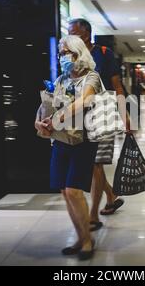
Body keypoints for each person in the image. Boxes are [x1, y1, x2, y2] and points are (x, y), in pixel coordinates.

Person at [35, 35, 102, 260]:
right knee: (65, 192)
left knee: (74, 190)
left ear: (77, 53)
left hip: (84, 140)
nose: (62, 57)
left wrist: (57, 118)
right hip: (61, 140)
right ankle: (82, 237)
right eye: (60, 53)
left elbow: (84, 102)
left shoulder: (92, 77)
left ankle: (87, 241)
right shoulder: (62, 79)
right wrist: (41, 120)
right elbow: (50, 103)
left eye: (65, 52)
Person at [68, 18, 129, 232]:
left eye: (73, 32)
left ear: (86, 33)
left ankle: (93, 215)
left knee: (95, 164)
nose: (70, 35)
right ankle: (111, 196)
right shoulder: (71, 56)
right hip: (80, 116)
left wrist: (125, 113)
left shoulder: (103, 53)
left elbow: (116, 84)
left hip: (103, 113)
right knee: (94, 164)